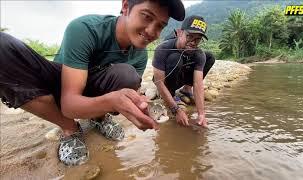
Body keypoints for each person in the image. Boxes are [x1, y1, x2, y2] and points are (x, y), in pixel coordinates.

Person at [0, 0, 185, 166]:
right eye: (146, 17)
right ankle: (69, 128)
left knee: (127, 76)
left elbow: (127, 92)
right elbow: (69, 105)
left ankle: (99, 117)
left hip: (94, 90)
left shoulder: (140, 54)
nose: (152, 31)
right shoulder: (85, 28)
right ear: (126, 6)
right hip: (61, 85)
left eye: (160, 26)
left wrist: (137, 103)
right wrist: (112, 101)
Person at [152, 15, 215, 128]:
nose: (192, 42)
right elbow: (158, 82)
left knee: (209, 56)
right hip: (165, 80)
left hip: (181, 76)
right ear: (180, 32)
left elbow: (198, 83)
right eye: (189, 36)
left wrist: (201, 114)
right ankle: (171, 95)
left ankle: (186, 89)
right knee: (175, 58)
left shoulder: (199, 54)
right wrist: (176, 110)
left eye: (197, 39)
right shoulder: (162, 49)